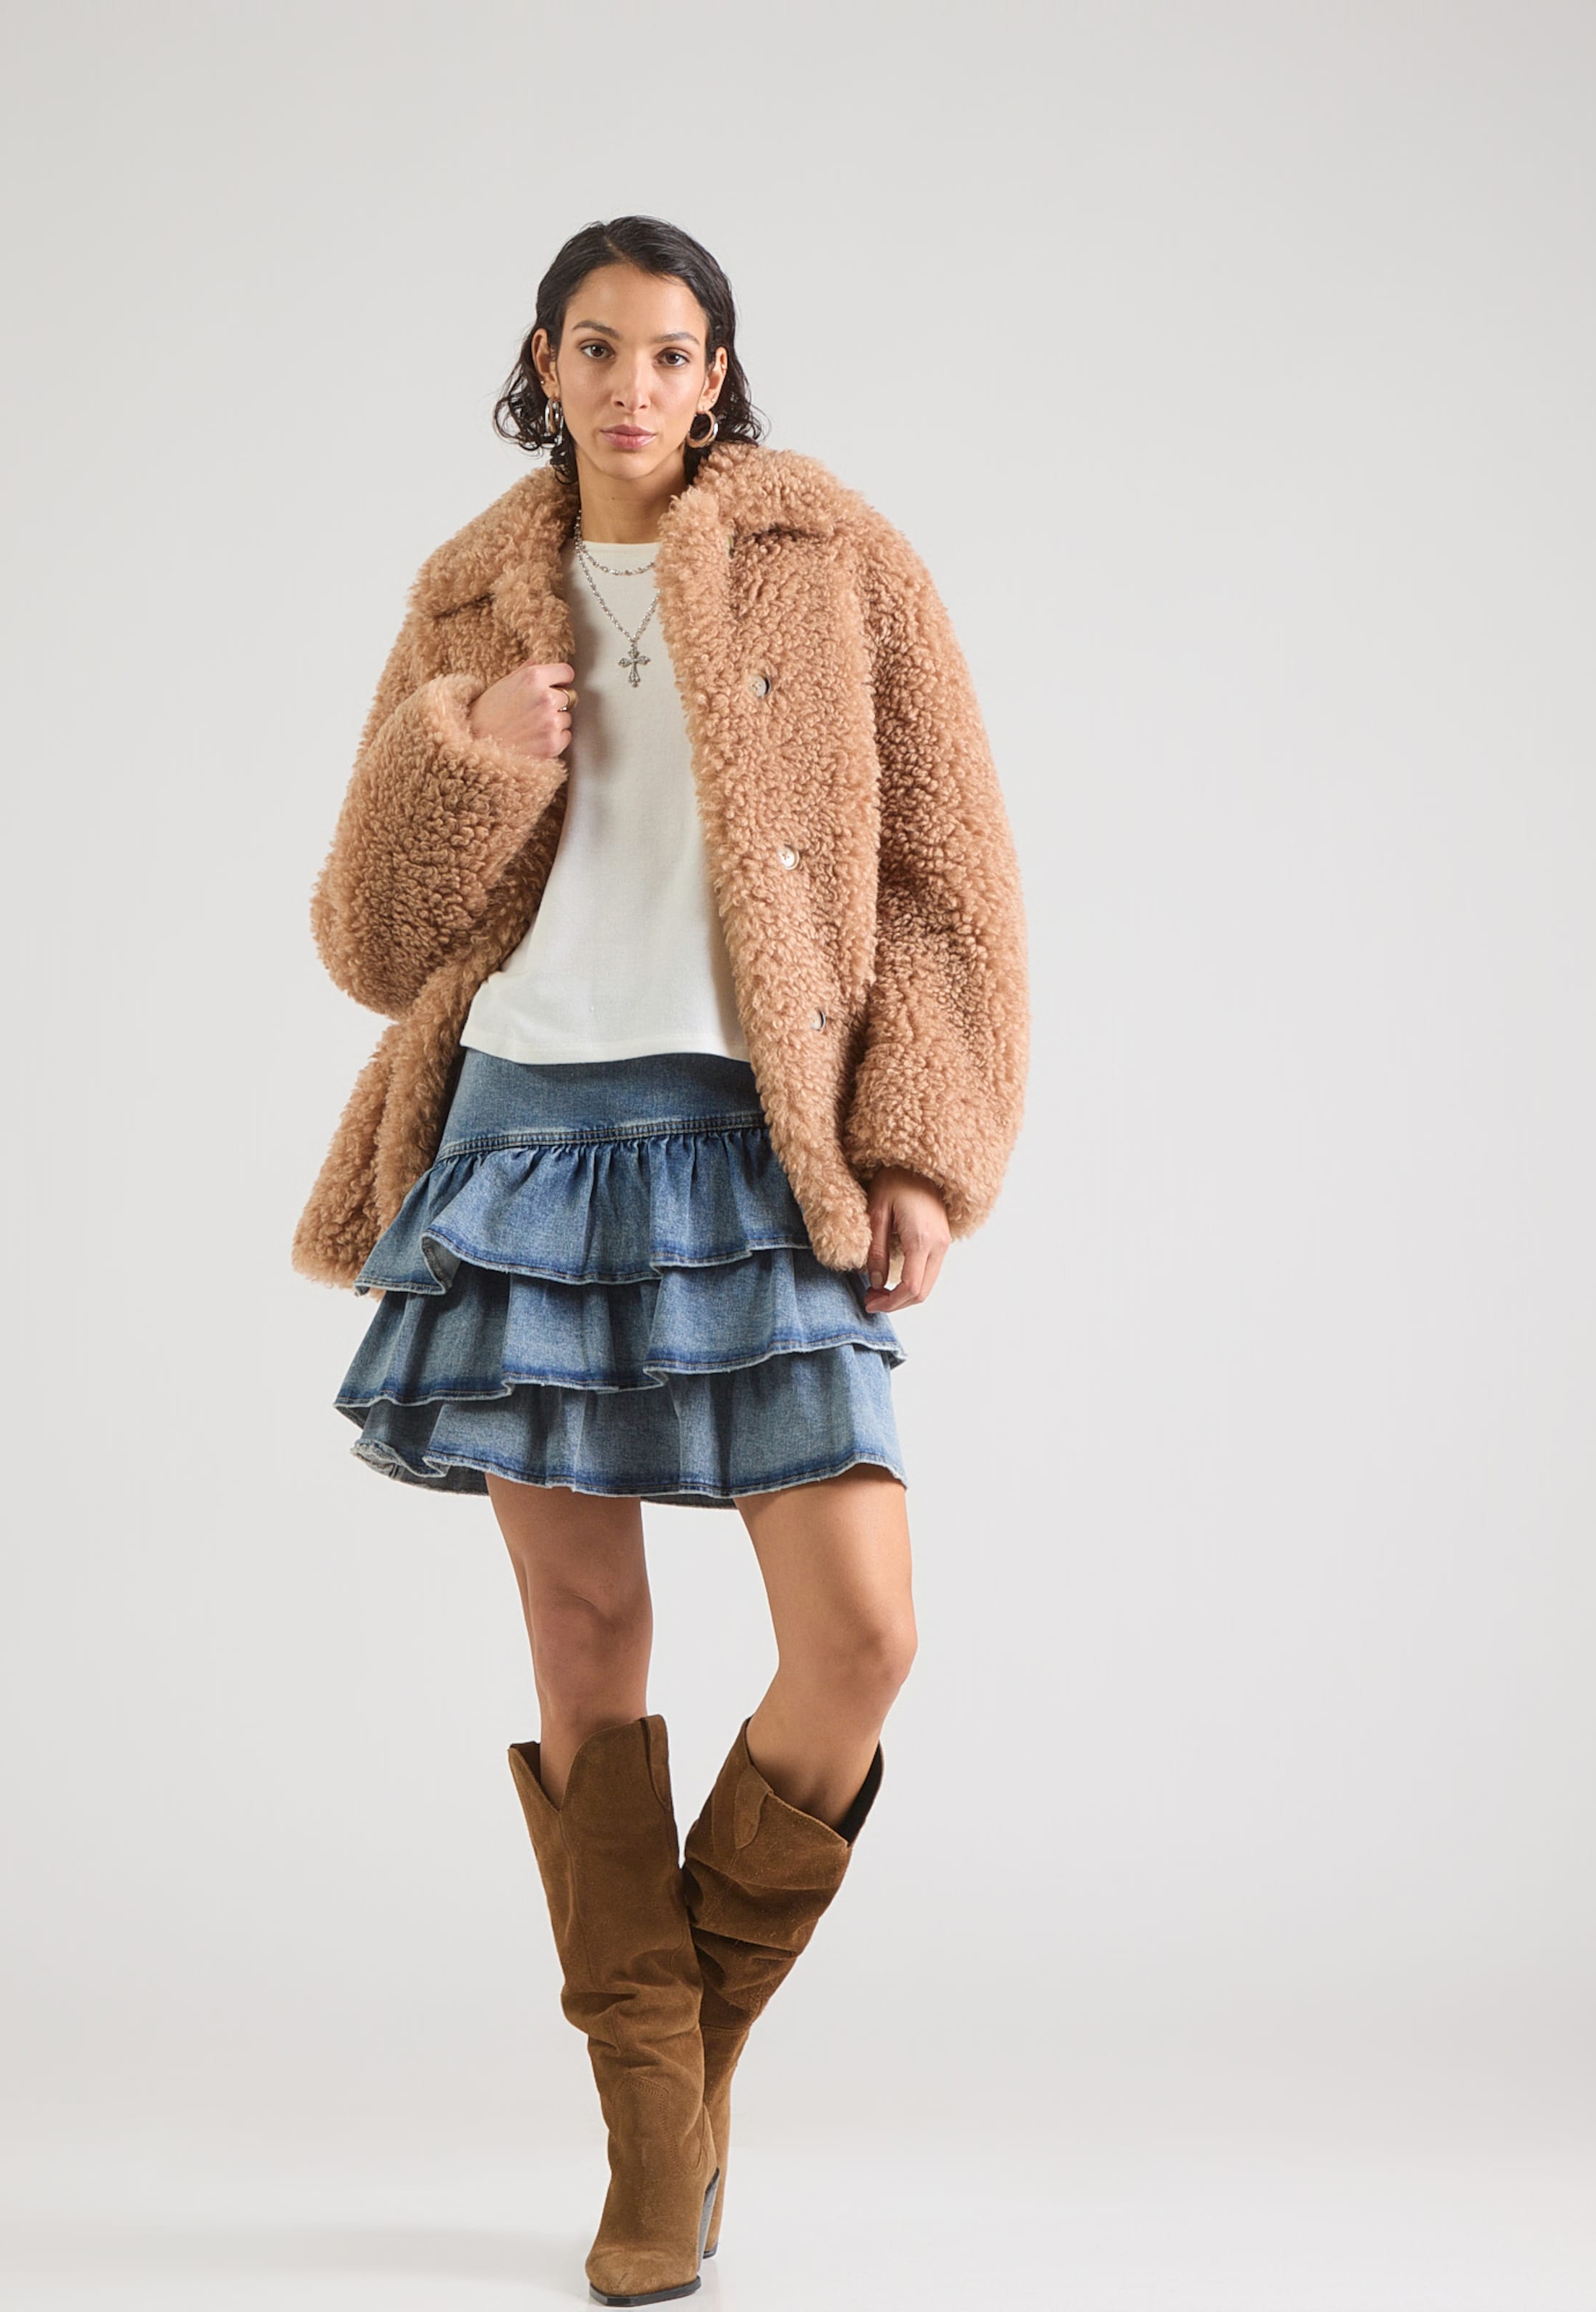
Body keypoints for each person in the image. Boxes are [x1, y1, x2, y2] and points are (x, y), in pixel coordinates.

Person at [293, 214, 1031, 2306]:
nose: (636, 385)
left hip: (754, 1141)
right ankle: (650, 2136)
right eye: (600, 347)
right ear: (546, 360)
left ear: (719, 374)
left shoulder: (835, 558)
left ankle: (676, 2048)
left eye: (674, 351)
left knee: (861, 1635)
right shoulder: (468, 593)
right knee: (586, 1636)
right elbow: (368, 941)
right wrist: (465, 746)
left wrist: (921, 1150)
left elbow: (948, 874)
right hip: (525, 1138)